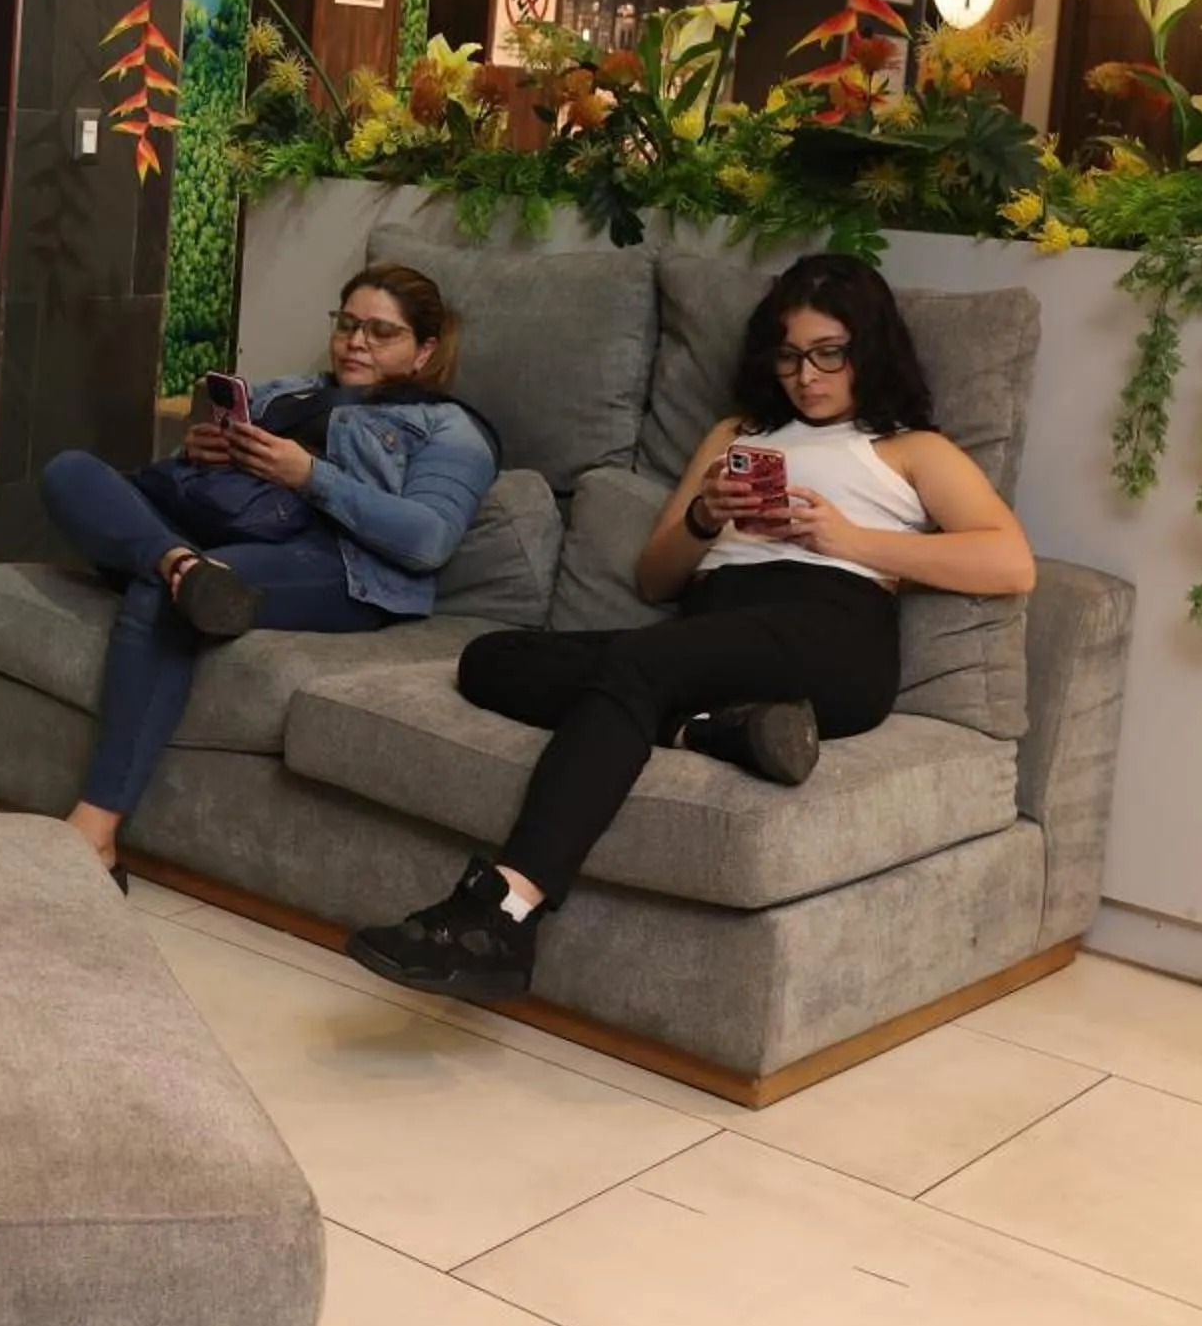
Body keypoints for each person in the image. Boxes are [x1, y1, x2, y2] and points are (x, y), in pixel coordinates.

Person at [347, 254, 1034, 1000]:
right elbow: (655, 579)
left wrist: (849, 541)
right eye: (790, 356)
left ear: (868, 349)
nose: (806, 376)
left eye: (828, 353)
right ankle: (719, 730)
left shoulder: (909, 448)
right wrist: (707, 517)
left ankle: (505, 910)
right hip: (710, 631)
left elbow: (1010, 562)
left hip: (832, 630)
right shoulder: (738, 433)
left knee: (640, 667)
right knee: (490, 659)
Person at [37, 265, 499, 885]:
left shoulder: (449, 427)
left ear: (424, 351)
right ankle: (180, 562)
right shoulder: (290, 392)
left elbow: (428, 540)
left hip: (338, 565)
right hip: (226, 536)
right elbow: (201, 483)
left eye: (381, 332)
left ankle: (94, 832)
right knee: (71, 471)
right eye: (348, 324)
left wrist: (311, 475)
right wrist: (200, 453)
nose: (356, 341)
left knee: (167, 591)